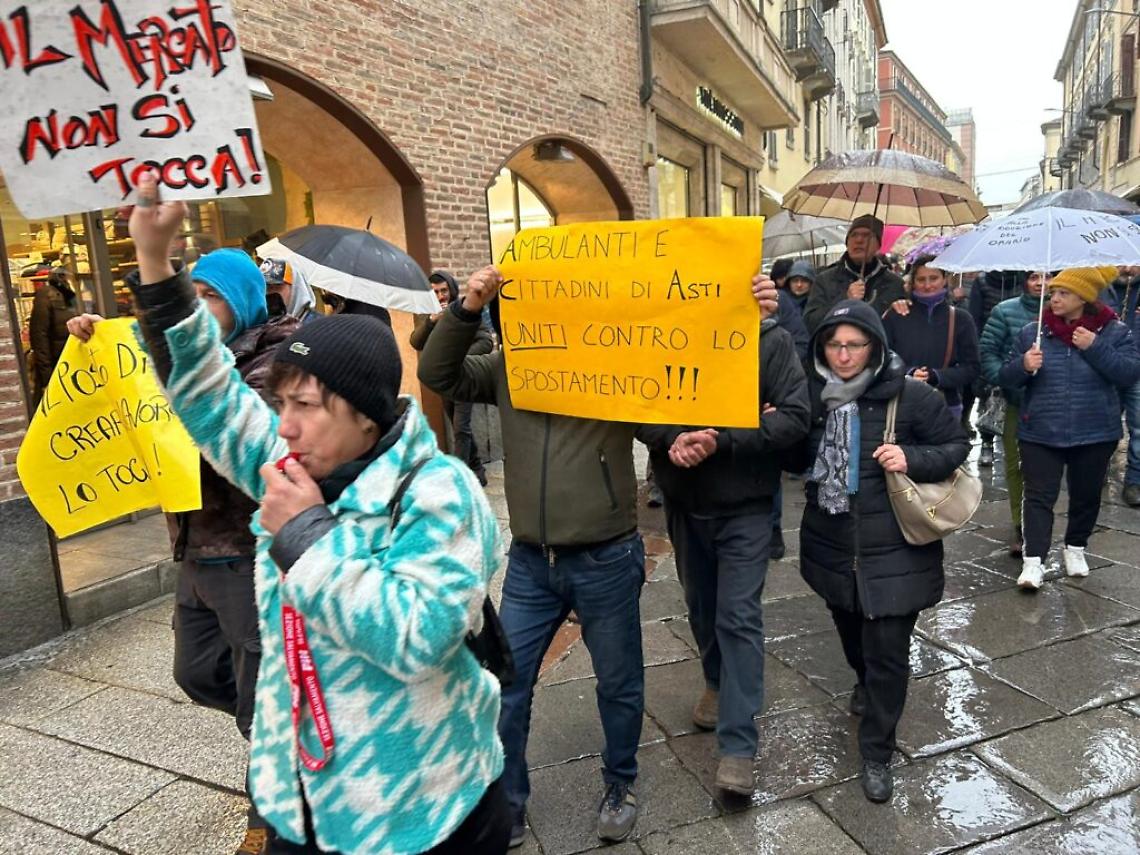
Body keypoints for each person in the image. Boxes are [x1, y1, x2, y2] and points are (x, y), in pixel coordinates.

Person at [124, 172, 509, 854]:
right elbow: (209, 392)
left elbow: (417, 637)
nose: (286, 425)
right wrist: (156, 265)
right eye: (281, 404)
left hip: (417, 806)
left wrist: (306, 535)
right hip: (301, 798)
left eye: (307, 406)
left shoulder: (440, 492)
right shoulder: (290, 458)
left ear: (365, 416)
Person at [418, 264, 780, 847]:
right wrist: (468, 308)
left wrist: (751, 313)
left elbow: (671, 388)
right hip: (534, 563)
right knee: (507, 687)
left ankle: (620, 783)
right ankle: (508, 802)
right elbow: (438, 372)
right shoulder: (508, 370)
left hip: (606, 557)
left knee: (618, 683)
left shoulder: (610, 367)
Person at [68, 247, 298, 855]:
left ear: (246, 300)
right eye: (191, 292)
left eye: (213, 295)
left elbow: (231, 434)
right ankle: (291, 738)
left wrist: (169, 363)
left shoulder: (274, 361)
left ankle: (272, 815)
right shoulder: (180, 355)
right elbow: (144, 387)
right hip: (195, 547)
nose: (198, 305)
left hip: (249, 552)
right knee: (195, 673)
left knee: (260, 705)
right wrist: (101, 346)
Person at [797, 300, 969, 803]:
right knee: (853, 635)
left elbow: (957, 445)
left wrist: (910, 456)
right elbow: (794, 456)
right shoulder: (813, 396)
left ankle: (877, 751)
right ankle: (864, 682)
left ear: (875, 346)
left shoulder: (912, 397)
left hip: (896, 549)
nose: (844, 354)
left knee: (889, 653)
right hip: (831, 543)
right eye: (834, 344)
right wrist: (780, 428)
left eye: (854, 344)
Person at [636, 315, 809, 796]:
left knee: (738, 617)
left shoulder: (770, 340)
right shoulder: (660, 334)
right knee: (702, 607)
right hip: (686, 504)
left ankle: (738, 746)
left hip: (746, 507)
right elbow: (635, 403)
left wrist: (722, 439)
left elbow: (795, 415)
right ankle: (715, 681)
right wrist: (670, 438)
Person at [1000, 267, 1140, 591]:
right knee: (1038, 496)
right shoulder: (1033, 332)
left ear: (1084, 297)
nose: (1054, 297)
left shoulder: (1114, 331)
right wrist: (1023, 365)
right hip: (1041, 430)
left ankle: (1075, 548)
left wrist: (1095, 347)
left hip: (1095, 430)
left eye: (1063, 292)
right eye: (1054, 292)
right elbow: (1005, 378)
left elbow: (1129, 373)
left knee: (1086, 495)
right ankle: (1033, 561)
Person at [978, 271, 1052, 556]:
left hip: (1053, 404)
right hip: (1017, 402)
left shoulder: (1065, 312)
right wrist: (1005, 377)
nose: (1041, 283)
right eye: (1035, 276)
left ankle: (1040, 522)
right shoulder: (1005, 311)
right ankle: (1022, 527)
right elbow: (988, 352)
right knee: (1016, 466)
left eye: (1047, 277)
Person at [411, 269, 493, 485]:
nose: (440, 296)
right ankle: (478, 470)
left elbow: (486, 341)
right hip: (445, 383)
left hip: (464, 377)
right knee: (460, 428)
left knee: (461, 428)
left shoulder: (464, 309)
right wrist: (431, 321)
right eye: (435, 292)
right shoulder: (429, 313)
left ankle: (459, 479)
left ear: (452, 290)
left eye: (444, 291)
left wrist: (457, 358)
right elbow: (416, 342)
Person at [882, 255, 980, 422]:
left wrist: (937, 376)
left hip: (944, 405)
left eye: (933, 278)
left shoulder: (961, 319)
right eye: (921, 279)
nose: (927, 285)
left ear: (945, 279)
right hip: (899, 404)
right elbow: (881, 359)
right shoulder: (896, 315)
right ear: (913, 282)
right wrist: (908, 373)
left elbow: (972, 368)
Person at [803, 215, 906, 333]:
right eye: (854, 235)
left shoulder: (895, 283)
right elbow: (810, 323)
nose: (859, 240)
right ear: (847, 243)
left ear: (878, 245)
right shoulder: (825, 280)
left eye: (867, 235)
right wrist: (844, 300)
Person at [969, 270, 1026, 467]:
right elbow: (974, 318)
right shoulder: (983, 281)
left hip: (1018, 351)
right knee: (989, 401)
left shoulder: (1023, 278)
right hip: (991, 346)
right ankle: (986, 443)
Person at [1102, 266, 1140, 507]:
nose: (1127, 268)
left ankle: (1135, 481)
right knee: (1104, 422)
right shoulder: (1099, 287)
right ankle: (1098, 466)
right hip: (1107, 366)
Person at [29, 267, 79, 405]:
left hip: (70, 363)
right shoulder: (46, 295)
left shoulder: (71, 296)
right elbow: (39, 336)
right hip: (57, 365)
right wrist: (46, 375)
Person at [260, 258, 317, 322]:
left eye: (276, 286)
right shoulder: (260, 323)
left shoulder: (319, 326)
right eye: (265, 287)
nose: (268, 293)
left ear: (296, 287)